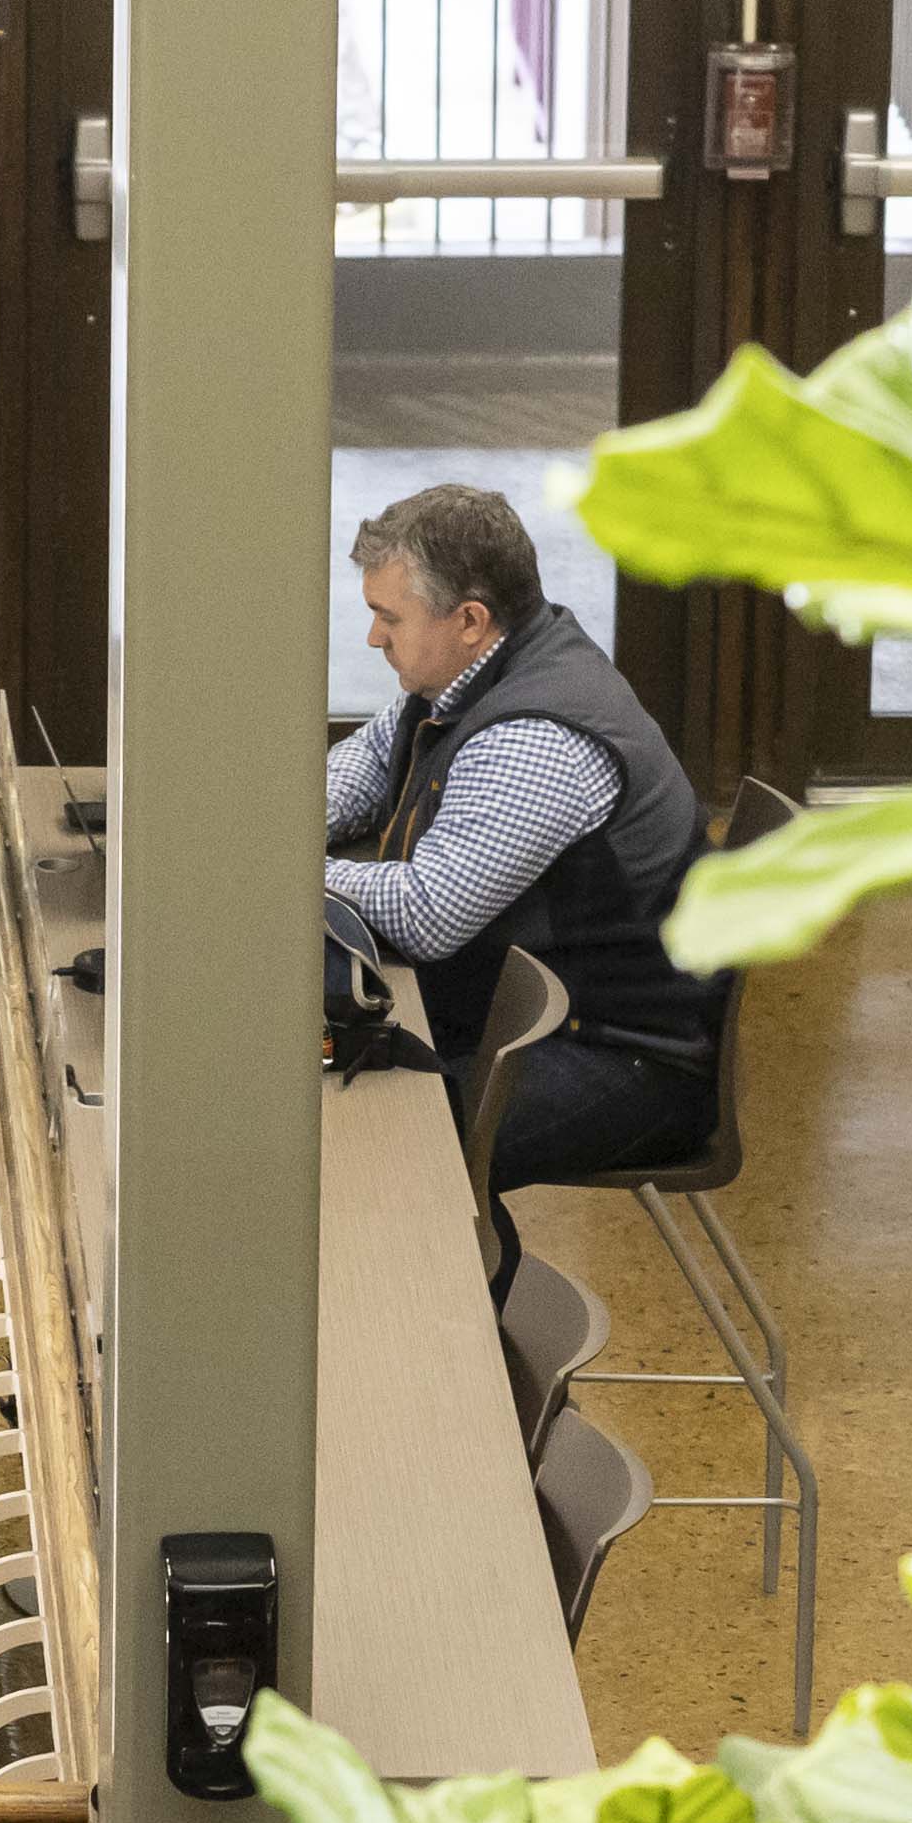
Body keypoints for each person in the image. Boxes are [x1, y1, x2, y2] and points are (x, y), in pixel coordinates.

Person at [323, 485, 716, 1271]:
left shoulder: (534, 736)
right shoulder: (464, 679)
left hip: (615, 1057)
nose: (372, 637)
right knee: (335, 1101)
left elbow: (427, 913)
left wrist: (273, 873)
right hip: (523, 1015)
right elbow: (358, 776)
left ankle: (470, 1365)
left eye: (389, 618)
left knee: (371, 1150)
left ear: (469, 620)